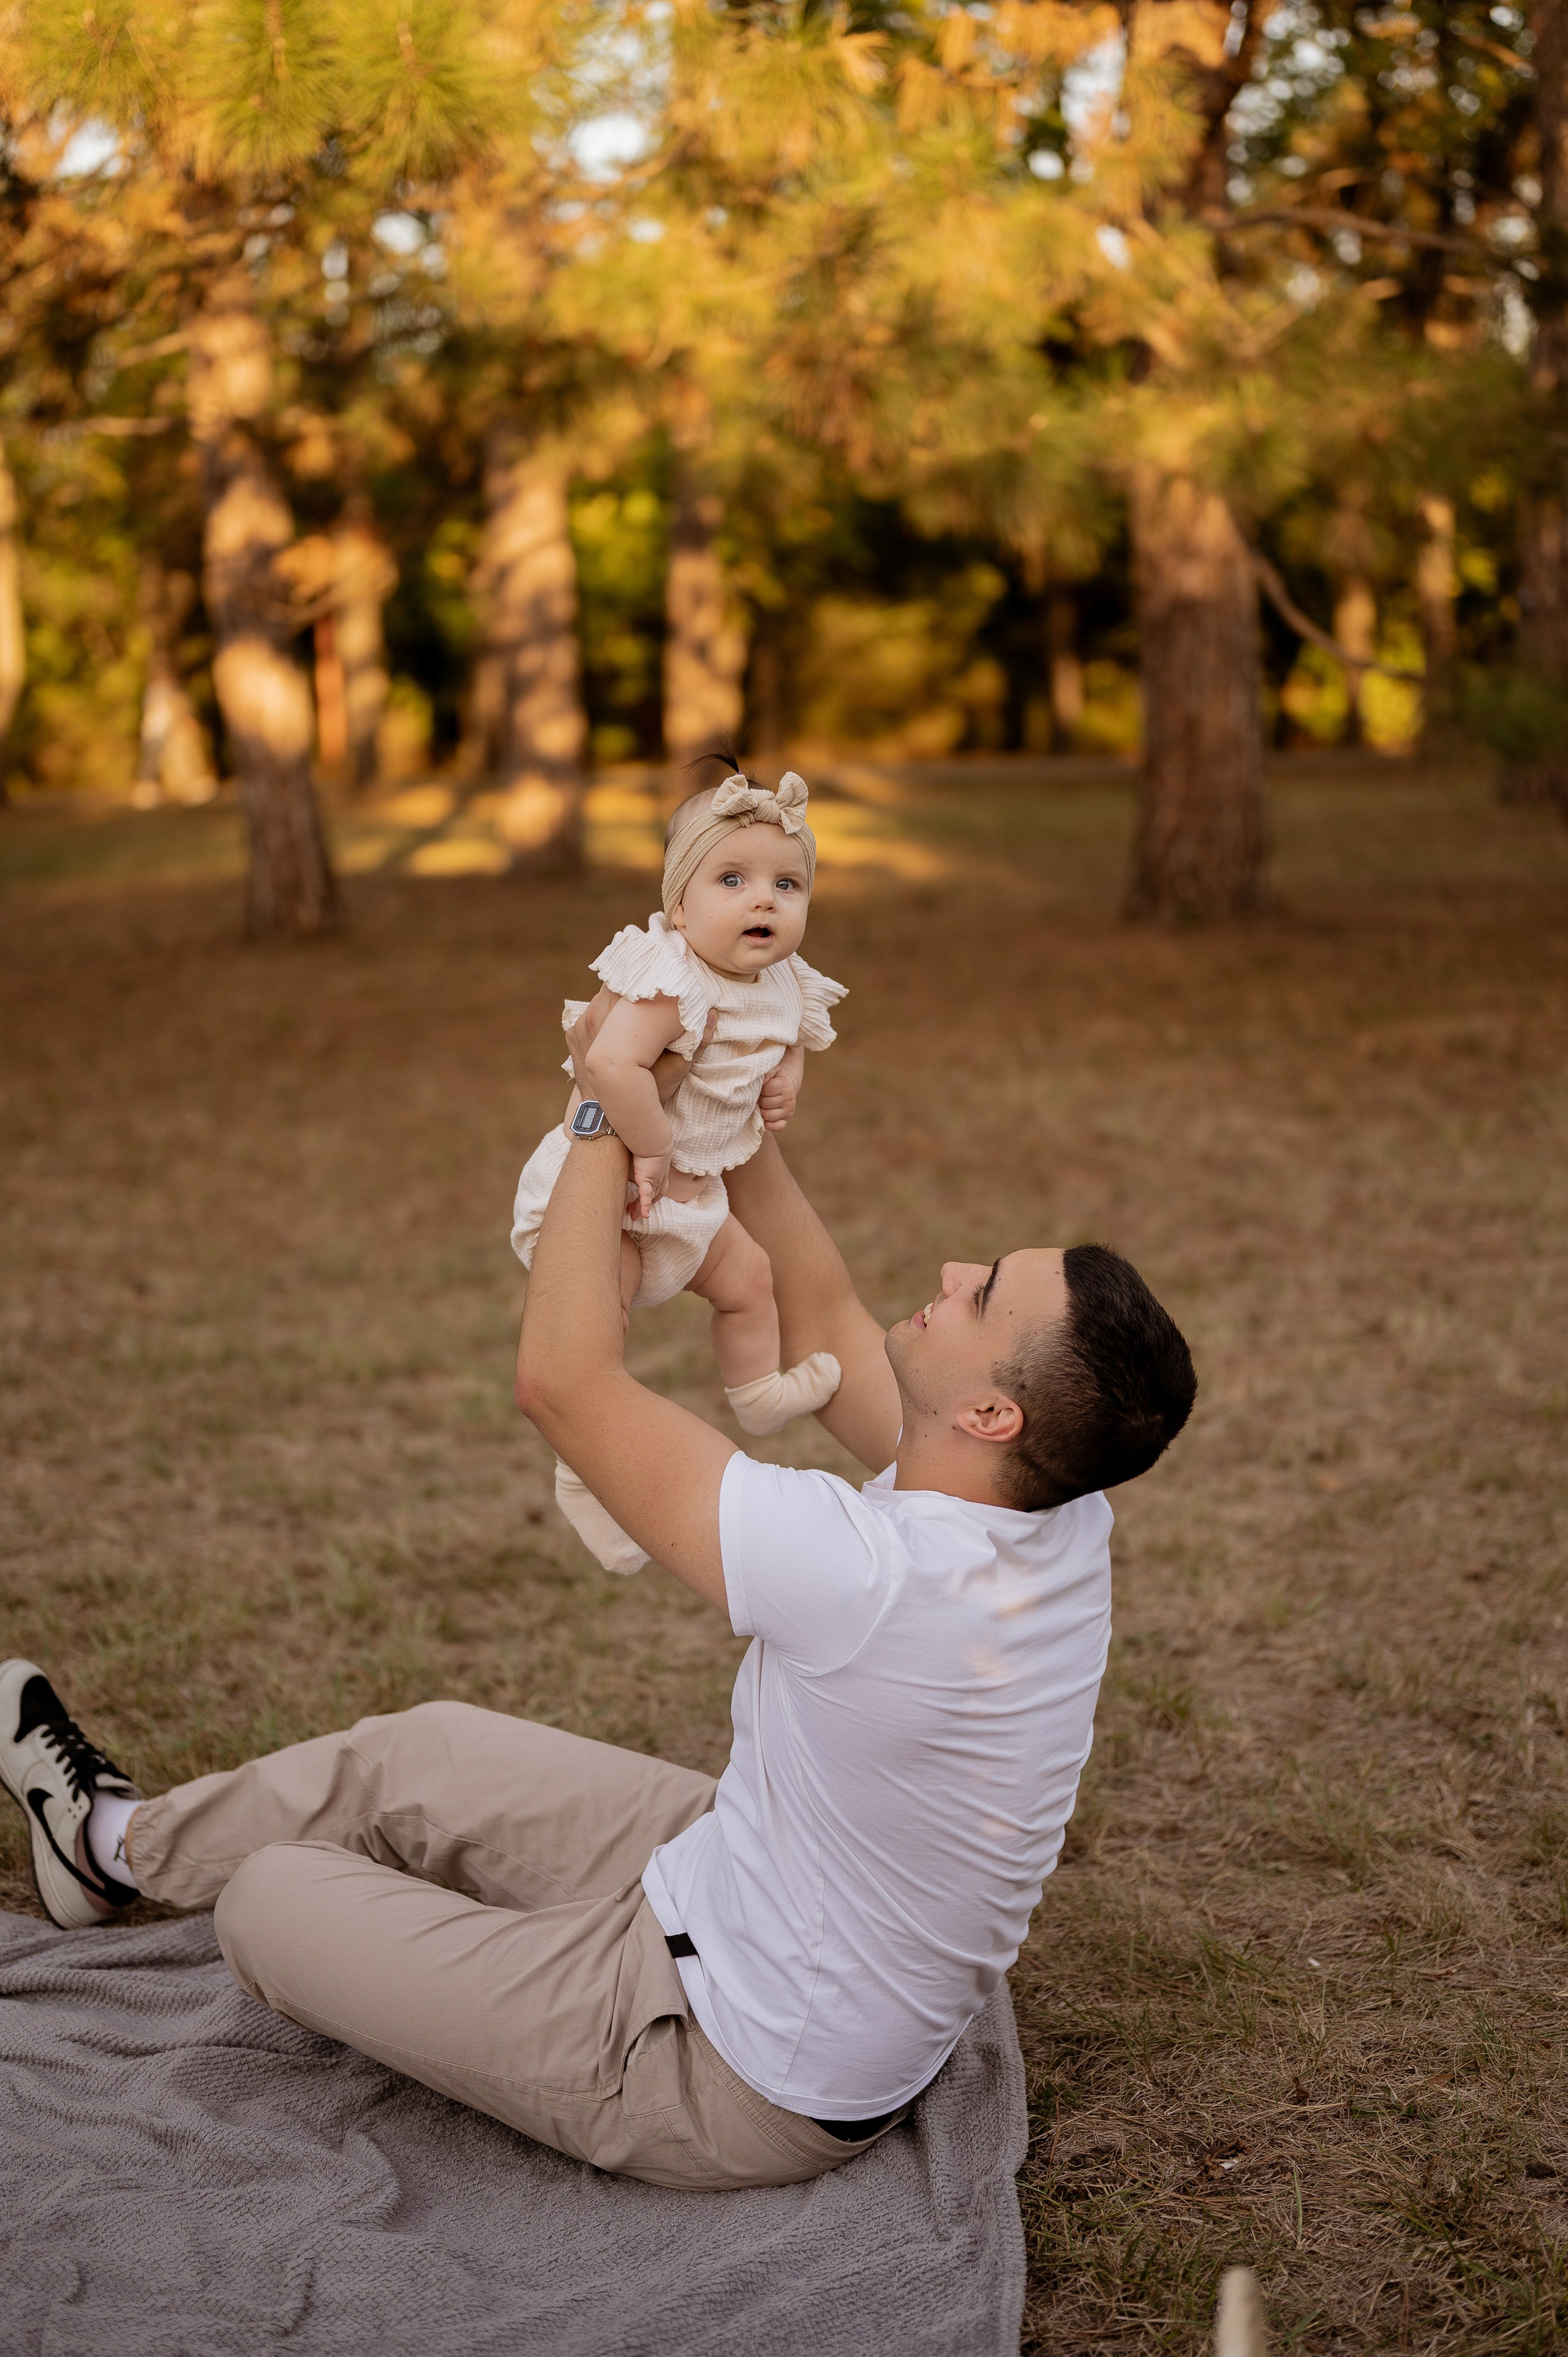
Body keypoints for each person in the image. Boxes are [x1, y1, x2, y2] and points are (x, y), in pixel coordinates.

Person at [0, 1066, 1197, 2191]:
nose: (945, 1270)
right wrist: (725, 1108)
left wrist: (598, 1109)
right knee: (423, 1752)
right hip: (751, 1872)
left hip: (728, 2066)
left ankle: (271, 1894)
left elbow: (564, 1383)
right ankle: (110, 1848)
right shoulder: (1056, 1498)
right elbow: (820, 1308)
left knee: (271, 1899)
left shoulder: (869, 1573)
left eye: (978, 1291)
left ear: (989, 1409)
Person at [511, 762, 846, 1573]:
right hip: (616, 1196)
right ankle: (582, 1469)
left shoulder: (783, 982)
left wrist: (786, 1079)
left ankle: (758, 1396)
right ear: (678, 907)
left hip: (698, 1208)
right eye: (733, 879)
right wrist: (652, 1146)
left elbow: (792, 1037)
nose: (764, 899)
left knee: (751, 1283)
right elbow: (615, 1068)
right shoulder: (673, 982)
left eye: (787, 884)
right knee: (600, 1329)